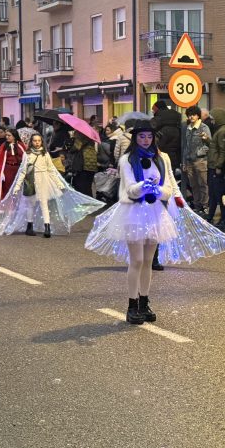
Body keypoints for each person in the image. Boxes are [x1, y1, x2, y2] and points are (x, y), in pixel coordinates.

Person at [85, 120, 178, 324]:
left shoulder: (162, 159)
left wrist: (157, 190)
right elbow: (130, 189)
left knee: (148, 261)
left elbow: (169, 189)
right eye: (142, 136)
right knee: (136, 260)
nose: (146, 140)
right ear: (135, 138)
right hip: (134, 212)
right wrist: (145, 186)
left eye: (149, 136)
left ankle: (144, 302)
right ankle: (132, 305)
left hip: (155, 212)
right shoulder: (127, 159)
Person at [0, 131, 102, 238]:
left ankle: (47, 227)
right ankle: (29, 226)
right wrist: (17, 186)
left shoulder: (45, 154)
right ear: (31, 142)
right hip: (30, 181)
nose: (37, 143)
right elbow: (23, 171)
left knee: (44, 203)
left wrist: (59, 183)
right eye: (35, 141)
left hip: (44, 180)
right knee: (31, 204)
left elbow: (51, 170)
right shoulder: (27, 154)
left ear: (41, 141)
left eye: (39, 141)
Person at [182, 106, 211, 215]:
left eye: (193, 114)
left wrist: (199, 153)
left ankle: (205, 206)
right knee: (194, 185)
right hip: (189, 161)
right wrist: (184, 162)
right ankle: (197, 205)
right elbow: (186, 146)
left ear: (198, 115)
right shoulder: (188, 128)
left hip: (201, 160)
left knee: (203, 184)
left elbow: (209, 144)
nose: (191, 117)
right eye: (189, 115)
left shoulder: (203, 127)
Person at [206, 109, 225, 224]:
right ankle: (211, 216)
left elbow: (223, 151)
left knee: (218, 194)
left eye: (213, 119)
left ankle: (223, 218)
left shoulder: (222, 132)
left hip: (216, 168)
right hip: (213, 166)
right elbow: (215, 147)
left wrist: (219, 166)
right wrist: (207, 141)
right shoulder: (219, 131)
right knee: (213, 193)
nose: (212, 121)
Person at [0, 129, 25, 203]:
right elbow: (1, 160)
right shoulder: (3, 146)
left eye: (9, 135)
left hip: (18, 169)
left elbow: (26, 157)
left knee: (18, 187)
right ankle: (8, 206)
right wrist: (2, 173)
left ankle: (18, 205)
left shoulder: (21, 145)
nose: (7, 137)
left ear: (14, 136)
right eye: (6, 135)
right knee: (8, 188)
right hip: (8, 170)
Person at [151, 100, 182, 172]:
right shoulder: (177, 114)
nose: (153, 112)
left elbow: (152, 127)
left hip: (163, 138)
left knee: (163, 155)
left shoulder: (159, 116)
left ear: (156, 108)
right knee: (173, 153)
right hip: (177, 136)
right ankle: (173, 170)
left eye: (153, 110)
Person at [69, 130, 98, 197]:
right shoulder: (90, 136)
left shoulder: (80, 134)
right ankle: (90, 200)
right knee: (88, 186)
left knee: (81, 185)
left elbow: (75, 148)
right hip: (92, 163)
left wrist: (73, 138)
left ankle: (84, 201)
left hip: (84, 163)